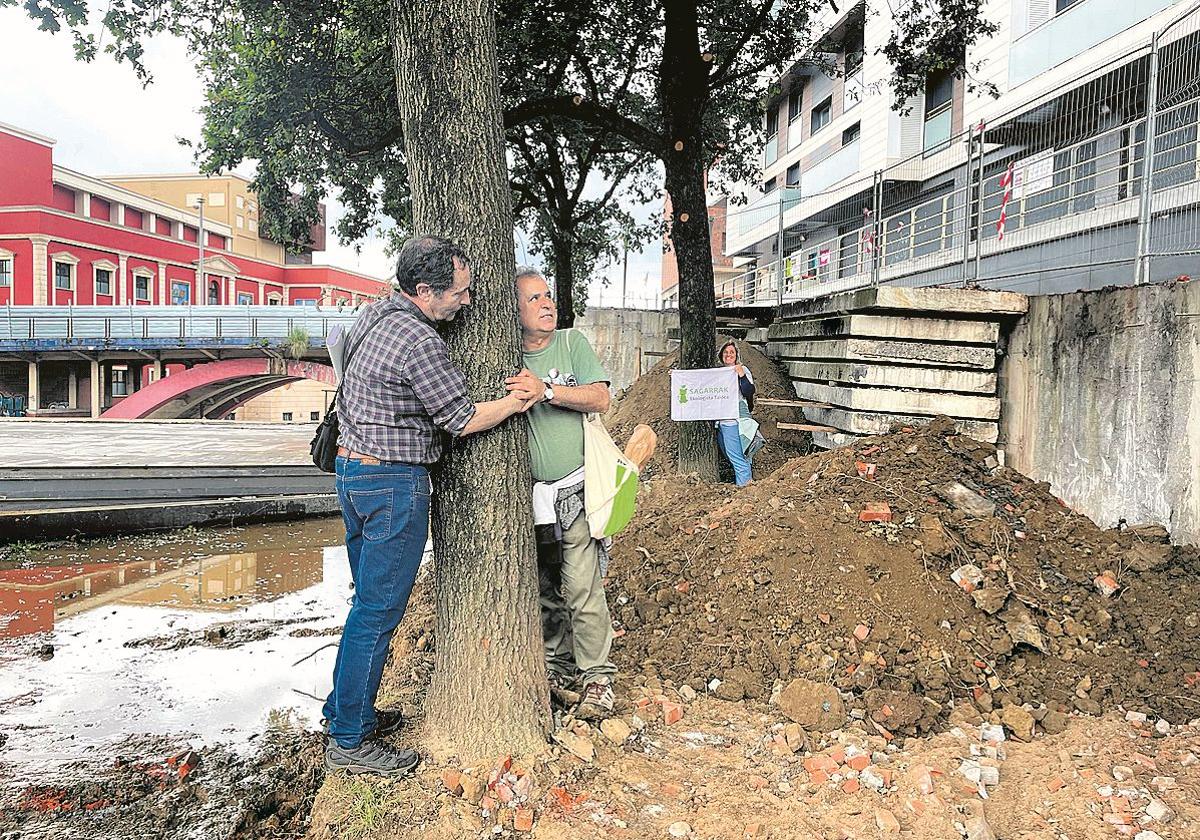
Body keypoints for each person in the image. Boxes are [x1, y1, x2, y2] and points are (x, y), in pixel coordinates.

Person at [323, 236, 541, 777]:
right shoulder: (420, 341)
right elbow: (463, 420)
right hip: (393, 484)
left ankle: (345, 712)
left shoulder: (375, 315)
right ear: (425, 291)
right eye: (459, 294)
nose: (467, 303)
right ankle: (350, 741)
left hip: (352, 477)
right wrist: (517, 400)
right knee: (376, 614)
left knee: (365, 607)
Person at [505, 266, 618, 720]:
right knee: (545, 588)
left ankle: (598, 678)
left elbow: (601, 398)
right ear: (512, 311)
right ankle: (557, 667)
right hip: (530, 500)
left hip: (574, 488)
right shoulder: (504, 353)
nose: (547, 303)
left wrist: (548, 390)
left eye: (547, 295)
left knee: (582, 586)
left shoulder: (572, 344)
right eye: (533, 299)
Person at [716, 340, 762, 487]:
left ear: (736, 355)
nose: (728, 355)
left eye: (732, 352)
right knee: (731, 454)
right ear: (721, 355)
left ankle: (745, 491)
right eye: (726, 352)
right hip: (721, 419)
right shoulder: (717, 373)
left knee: (738, 457)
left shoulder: (742, 369)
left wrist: (741, 375)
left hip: (734, 418)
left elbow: (749, 391)